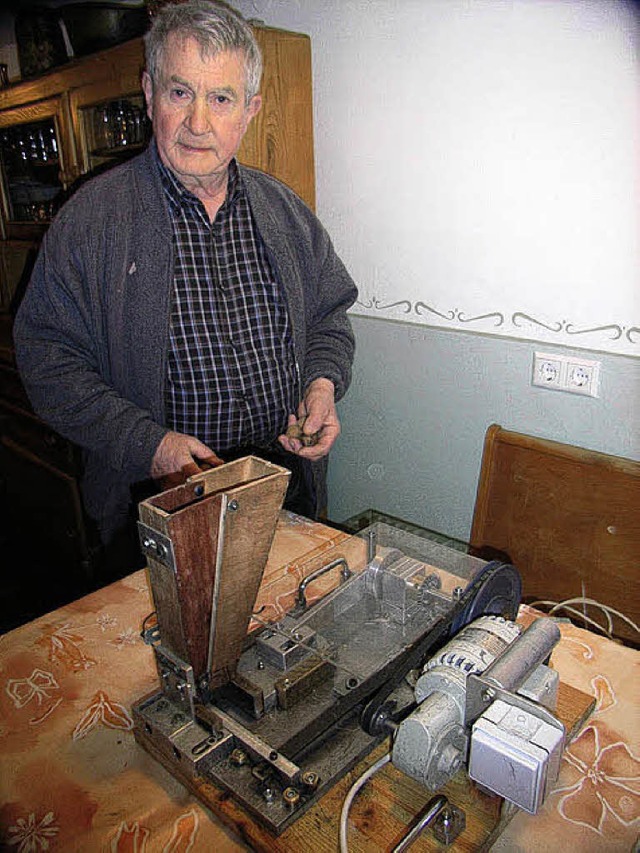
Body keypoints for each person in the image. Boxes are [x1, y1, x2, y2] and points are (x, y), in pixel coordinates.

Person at [13, 0, 357, 571]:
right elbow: (47, 359)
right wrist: (149, 445)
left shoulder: (285, 211)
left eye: (220, 99)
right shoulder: (92, 219)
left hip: (281, 483)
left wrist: (322, 385)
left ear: (250, 109)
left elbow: (329, 314)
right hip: (154, 499)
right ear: (149, 95)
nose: (199, 123)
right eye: (180, 93)